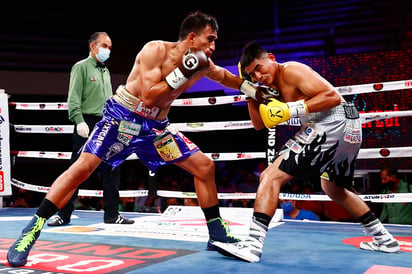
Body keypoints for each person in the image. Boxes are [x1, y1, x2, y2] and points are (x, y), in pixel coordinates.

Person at [7, 11, 274, 267]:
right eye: (210, 39)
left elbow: (224, 76)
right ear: (191, 38)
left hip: (156, 129)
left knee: (204, 166)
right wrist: (183, 70)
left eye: (215, 39)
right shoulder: (155, 50)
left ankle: (216, 232)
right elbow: (149, 95)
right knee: (82, 168)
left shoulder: (202, 62)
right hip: (122, 118)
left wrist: (252, 89)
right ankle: (30, 232)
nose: (214, 45)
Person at [212, 41, 400, 263]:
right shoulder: (269, 88)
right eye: (252, 75)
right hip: (348, 125)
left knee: (270, 176)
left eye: (259, 69)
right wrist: (252, 96)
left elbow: (330, 96)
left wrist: (292, 108)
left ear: (270, 58)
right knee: (333, 187)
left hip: (333, 120)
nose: (258, 76)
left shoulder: (292, 69)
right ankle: (385, 239)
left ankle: (253, 244)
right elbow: (259, 125)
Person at [47, 32, 133, 226]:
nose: (108, 50)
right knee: (76, 169)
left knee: (113, 167)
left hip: (107, 123)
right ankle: (64, 214)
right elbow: (73, 98)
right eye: (104, 46)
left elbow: (110, 101)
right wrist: (78, 121)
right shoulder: (81, 67)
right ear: (93, 47)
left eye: (110, 47)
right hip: (87, 122)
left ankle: (112, 214)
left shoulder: (106, 71)